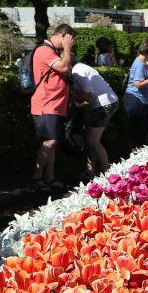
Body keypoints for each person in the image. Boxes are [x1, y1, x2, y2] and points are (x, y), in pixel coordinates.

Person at [30, 23, 75, 193]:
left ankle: (49, 178)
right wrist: (67, 48)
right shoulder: (44, 51)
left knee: (53, 142)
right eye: (70, 39)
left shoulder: (53, 52)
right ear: (62, 35)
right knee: (49, 141)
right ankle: (37, 177)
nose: (71, 43)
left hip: (55, 105)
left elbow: (67, 68)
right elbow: (64, 67)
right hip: (46, 105)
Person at [70, 62, 119, 180]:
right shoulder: (80, 67)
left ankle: (108, 174)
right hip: (107, 102)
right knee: (90, 138)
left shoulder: (77, 71)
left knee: (93, 140)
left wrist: (71, 99)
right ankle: (90, 171)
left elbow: (88, 94)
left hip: (104, 105)